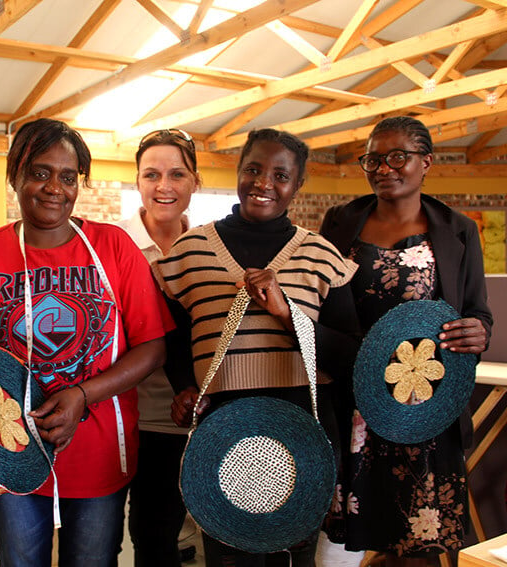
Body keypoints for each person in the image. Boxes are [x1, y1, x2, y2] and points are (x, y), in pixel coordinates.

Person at [0, 118, 170, 567]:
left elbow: (152, 347)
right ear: (14, 176)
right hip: (9, 447)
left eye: (68, 177)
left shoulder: (114, 247)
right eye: (40, 172)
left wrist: (82, 394)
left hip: (99, 449)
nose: (55, 187)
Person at [153, 128, 359, 567]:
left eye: (280, 175)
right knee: (229, 557)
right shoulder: (189, 252)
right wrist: (186, 387)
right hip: (221, 434)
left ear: (298, 185)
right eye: (253, 169)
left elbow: (349, 356)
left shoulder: (322, 255)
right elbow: (171, 337)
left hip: (303, 432)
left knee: (295, 558)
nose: (264, 183)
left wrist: (287, 313)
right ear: (238, 172)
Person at [320, 116, 492, 567]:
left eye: (398, 156)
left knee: (422, 538)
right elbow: (320, 302)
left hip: (424, 404)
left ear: (425, 162)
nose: (384, 168)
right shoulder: (339, 224)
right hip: (354, 400)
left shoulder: (457, 230)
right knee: (348, 534)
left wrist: (480, 331)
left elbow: (477, 310)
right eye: (373, 159)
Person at [116, 128, 200, 567]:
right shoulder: (112, 245)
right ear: (137, 181)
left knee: (158, 534)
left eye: (176, 174)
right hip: (118, 414)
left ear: (195, 182)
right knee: (103, 536)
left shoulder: (209, 247)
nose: (163, 186)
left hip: (182, 418)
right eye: (152, 174)